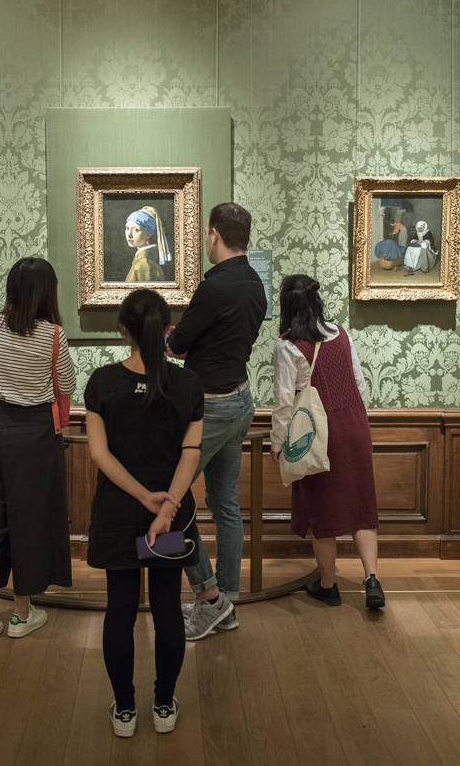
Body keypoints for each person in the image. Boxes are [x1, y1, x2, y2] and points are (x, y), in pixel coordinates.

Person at [85, 289, 203, 737]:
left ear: (122, 329)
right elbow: (190, 455)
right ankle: (164, 701)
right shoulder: (189, 385)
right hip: (168, 520)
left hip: (119, 513)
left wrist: (143, 498)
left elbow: (99, 454)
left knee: (120, 609)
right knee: (168, 606)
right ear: (167, 329)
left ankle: (124, 708)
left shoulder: (102, 383)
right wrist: (167, 506)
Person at [166, 202, 267, 640]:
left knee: (169, 498)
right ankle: (227, 595)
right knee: (225, 502)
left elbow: (179, 345)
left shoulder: (214, 287)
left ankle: (209, 595)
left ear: (214, 235)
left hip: (208, 406)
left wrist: (168, 333)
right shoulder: (255, 284)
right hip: (241, 400)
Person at [0, 257, 76, 641]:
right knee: (28, 519)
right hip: (35, 433)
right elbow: (67, 384)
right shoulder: (53, 335)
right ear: (47, 291)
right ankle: (21, 614)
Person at [270, 274, 385, 610]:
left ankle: (328, 585)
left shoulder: (288, 346)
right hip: (354, 424)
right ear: (315, 301)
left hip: (318, 431)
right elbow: (360, 385)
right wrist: (360, 424)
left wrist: (278, 444)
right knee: (362, 506)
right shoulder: (340, 333)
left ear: (287, 307)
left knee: (323, 508)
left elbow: (283, 402)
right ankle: (372, 579)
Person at [124, 206, 172, 282]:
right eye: (127, 228)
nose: (129, 235)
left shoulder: (144, 263)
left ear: (148, 234)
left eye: (136, 230)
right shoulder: (144, 259)